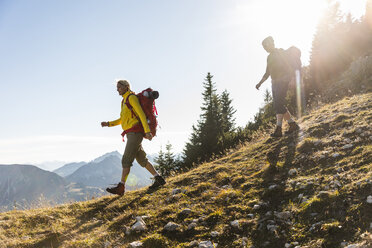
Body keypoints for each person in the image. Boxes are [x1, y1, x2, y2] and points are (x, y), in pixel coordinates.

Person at [101, 79, 166, 196]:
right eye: (117, 88)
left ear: (126, 86)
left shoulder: (131, 98)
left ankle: (121, 187)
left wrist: (147, 131)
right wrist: (108, 123)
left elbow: (141, 114)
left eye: (119, 87)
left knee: (126, 160)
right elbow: (122, 119)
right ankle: (159, 179)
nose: (117, 90)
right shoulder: (124, 100)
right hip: (131, 133)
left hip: (135, 133)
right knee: (142, 159)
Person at [255, 36, 300, 137]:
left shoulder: (280, 52)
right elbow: (267, 73)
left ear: (271, 44)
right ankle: (283, 128)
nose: (265, 48)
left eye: (265, 46)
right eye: (263, 47)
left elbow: (289, 65)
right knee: (278, 105)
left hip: (283, 80)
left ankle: (288, 126)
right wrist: (260, 83)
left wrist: (293, 78)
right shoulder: (269, 57)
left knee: (279, 104)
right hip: (274, 83)